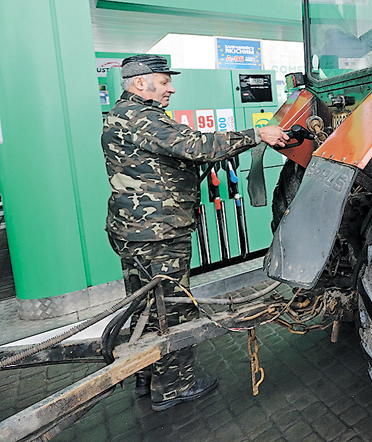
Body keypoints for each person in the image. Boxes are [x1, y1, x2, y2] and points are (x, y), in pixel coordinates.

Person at [102, 54, 289, 411]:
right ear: (140, 82)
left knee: (143, 305)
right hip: (159, 232)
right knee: (172, 311)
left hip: (132, 229)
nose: (171, 87)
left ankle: (146, 375)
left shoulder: (121, 114)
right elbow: (196, 147)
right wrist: (256, 134)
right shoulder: (142, 117)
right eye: (164, 80)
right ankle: (173, 387)